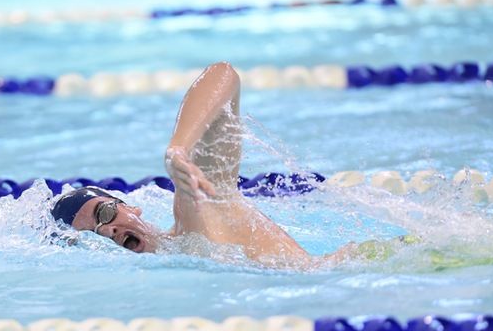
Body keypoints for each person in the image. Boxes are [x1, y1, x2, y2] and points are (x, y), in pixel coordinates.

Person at [50, 62, 356, 269]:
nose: (109, 230)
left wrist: (178, 150)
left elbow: (222, 74)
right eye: (93, 234)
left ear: (131, 207)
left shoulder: (195, 213)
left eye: (104, 213)